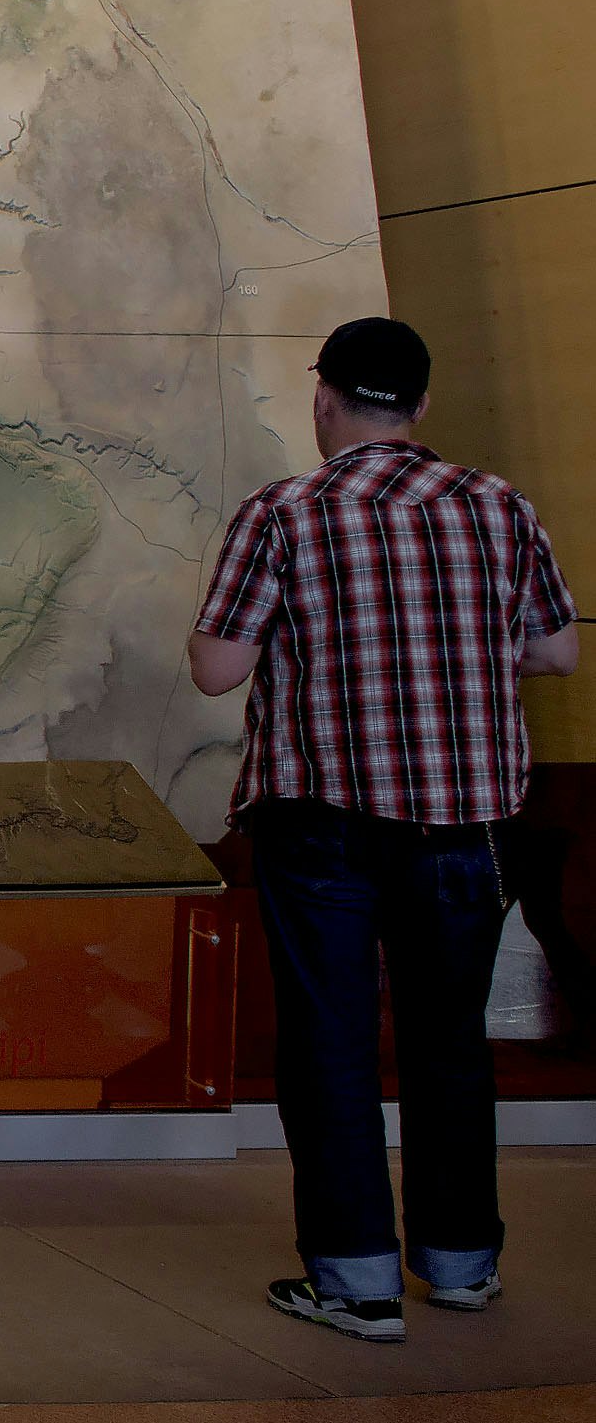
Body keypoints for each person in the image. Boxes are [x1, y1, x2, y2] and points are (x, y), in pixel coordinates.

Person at [191, 316, 579, 1344]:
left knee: (327, 1045)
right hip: (462, 823)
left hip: (317, 819)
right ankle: (458, 1265)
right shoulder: (497, 507)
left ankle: (353, 1281)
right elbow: (553, 653)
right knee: (449, 1043)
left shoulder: (284, 511)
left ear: (323, 399)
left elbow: (215, 668)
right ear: (417, 404)